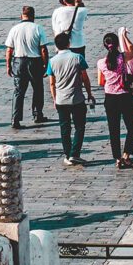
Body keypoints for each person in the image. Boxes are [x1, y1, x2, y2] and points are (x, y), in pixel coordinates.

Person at [97, 29, 133, 169]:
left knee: (113, 129)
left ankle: (117, 158)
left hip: (110, 98)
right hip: (125, 96)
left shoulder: (101, 63)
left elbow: (100, 82)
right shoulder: (122, 58)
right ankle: (126, 155)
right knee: (132, 126)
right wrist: (125, 37)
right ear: (117, 45)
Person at [50, 30, 94, 166]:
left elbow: (52, 82)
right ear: (69, 43)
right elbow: (84, 78)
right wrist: (89, 93)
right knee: (80, 126)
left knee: (65, 128)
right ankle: (75, 153)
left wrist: (54, 98)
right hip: (77, 98)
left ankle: (68, 154)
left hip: (61, 99)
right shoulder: (77, 57)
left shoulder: (52, 61)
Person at [5, 5, 48, 129]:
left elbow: (9, 50)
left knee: (18, 91)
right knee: (38, 88)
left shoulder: (14, 29)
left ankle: (15, 119)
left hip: (19, 61)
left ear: (21, 16)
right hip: (35, 62)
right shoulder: (38, 28)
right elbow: (43, 49)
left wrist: (8, 65)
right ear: (33, 16)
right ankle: (37, 114)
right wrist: (46, 64)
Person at [52, 0, 88, 65]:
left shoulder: (57, 11)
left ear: (64, 1)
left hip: (61, 44)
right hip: (78, 43)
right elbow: (85, 17)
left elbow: (55, 28)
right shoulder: (83, 11)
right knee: (79, 68)